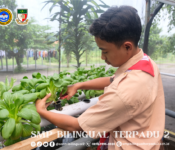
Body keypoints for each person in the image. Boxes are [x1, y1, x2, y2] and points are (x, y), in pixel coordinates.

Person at [36, 5, 165, 150]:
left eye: (105, 51)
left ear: (127, 47)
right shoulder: (146, 63)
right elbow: (113, 79)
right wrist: (79, 85)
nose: (102, 57)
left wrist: (42, 112)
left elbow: (77, 126)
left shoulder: (123, 93)